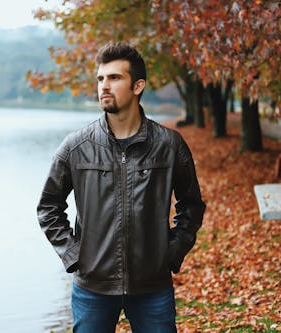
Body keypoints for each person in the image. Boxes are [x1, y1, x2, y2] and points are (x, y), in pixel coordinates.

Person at [37, 42, 206, 333]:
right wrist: (74, 255)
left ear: (138, 85)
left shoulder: (169, 145)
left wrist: (172, 251)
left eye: (115, 78)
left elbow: (191, 205)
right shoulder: (77, 146)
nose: (104, 86)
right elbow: (48, 206)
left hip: (152, 287)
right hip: (93, 287)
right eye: (101, 78)